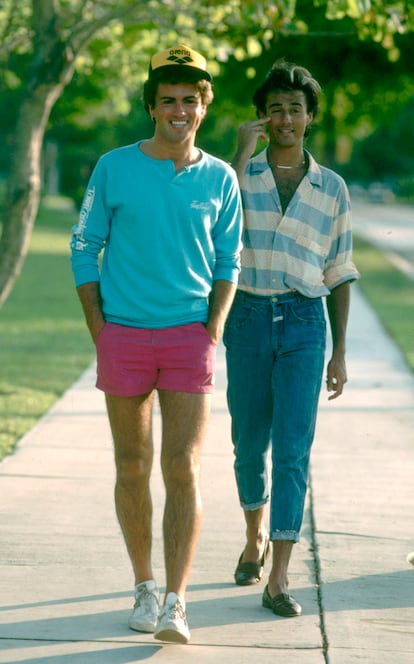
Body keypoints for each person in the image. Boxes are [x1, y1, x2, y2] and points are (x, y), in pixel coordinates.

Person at [70, 44, 242, 644]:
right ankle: (143, 588)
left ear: (203, 107)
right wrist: (101, 328)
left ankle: (176, 600)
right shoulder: (113, 167)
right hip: (124, 335)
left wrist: (213, 327)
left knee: (184, 467)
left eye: (189, 100)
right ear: (151, 106)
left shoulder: (220, 177)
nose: (179, 110)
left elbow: (229, 260)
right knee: (132, 464)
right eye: (167, 100)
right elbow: (82, 245)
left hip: (188, 337)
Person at [223, 59, 360, 618]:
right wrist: (236, 152)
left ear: (310, 119)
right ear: (262, 116)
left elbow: (340, 269)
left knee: (294, 451)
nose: (285, 117)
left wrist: (340, 350)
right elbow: (212, 220)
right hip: (249, 318)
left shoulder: (332, 188)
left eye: (295, 109)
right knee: (248, 443)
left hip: (306, 322)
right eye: (275, 108)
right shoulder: (239, 175)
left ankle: (278, 576)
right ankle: (253, 536)